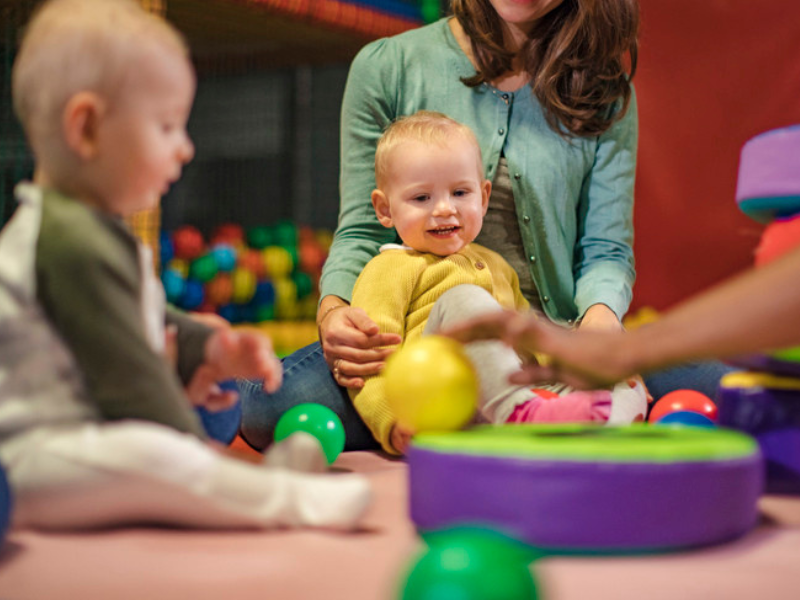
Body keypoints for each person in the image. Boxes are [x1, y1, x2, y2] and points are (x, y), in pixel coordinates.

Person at [239, 0, 730, 451]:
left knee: (727, 391)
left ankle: (540, 417)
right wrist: (334, 314)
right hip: (419, 346)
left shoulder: (602, 88)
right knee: (267, 408)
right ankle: (513, 416)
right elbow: (363, 232)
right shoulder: (387, 67)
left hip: (551, 336)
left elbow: (605, 249)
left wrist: (598, 332)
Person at [0, 0, 370, 531]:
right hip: (35, 457)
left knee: (196, 420)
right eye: (167, 126)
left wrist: (207, 347)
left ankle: (252, 482)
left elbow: (146, 319)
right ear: (86, 129)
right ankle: (286, 500)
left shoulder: (93, 229)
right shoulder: (65, 239)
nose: (186, 149)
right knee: (156, 452)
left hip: (85, 438)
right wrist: (193, 448)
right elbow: (129, 378)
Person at [348, 111, 647, 454]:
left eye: (460, 192)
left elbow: (530, 337)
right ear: (385, 209)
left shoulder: (497, 266)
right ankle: (523, 415)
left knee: (624, 377)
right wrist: (390, 419)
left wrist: (575, 368)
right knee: (463, 298)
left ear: (484, 197)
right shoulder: (388, 268)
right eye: (422, 198)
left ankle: (597, 429)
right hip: (442, 401)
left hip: (516, 395)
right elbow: (369, 362)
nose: (445, 209)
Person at [443, 245, 800, 390]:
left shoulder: (604, 94)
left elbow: (606, 250)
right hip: (462, 361)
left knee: (748, 398)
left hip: (576, 339)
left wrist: (606, 335)